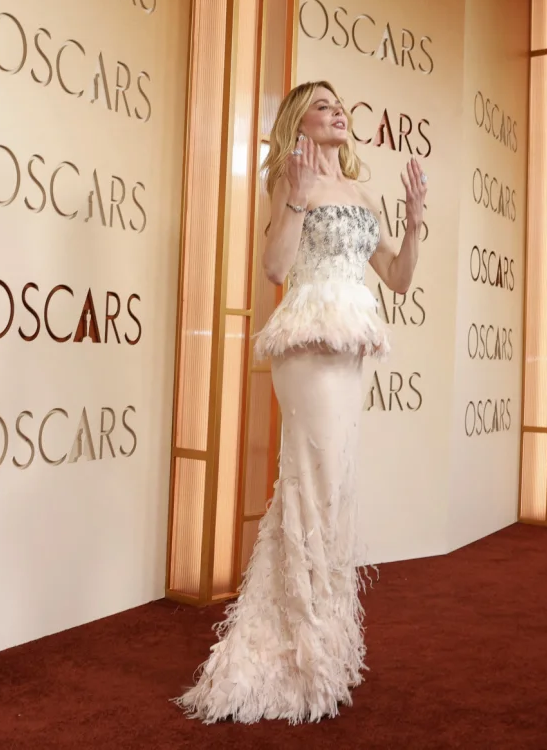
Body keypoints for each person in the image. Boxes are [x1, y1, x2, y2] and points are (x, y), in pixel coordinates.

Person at [176, 80, 427, 725]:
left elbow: (397, 278)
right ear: (299, 122)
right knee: (311, 488)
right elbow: (274, 269)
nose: (338, 110)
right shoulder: (291, 182)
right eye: (323, 104)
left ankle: (325, 644)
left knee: (335, 492)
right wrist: (292, 197)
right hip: (308, 349)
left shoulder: (358, 193)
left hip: (352, 354)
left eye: (342, 103)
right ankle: (298, 650)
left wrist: (414, 221)